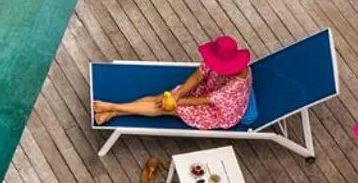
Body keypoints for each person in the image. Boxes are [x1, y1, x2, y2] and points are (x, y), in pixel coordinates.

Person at [93, 35, 253, 129]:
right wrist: (178, 93)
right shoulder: (220, 59)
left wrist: (176, 102)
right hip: (208, 92)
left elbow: (206, 101)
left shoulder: (235, 86)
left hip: (218, 110)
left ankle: (113, 107)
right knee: (160, 98)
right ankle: (114, 112)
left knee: (163, 107)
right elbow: (198, 76)